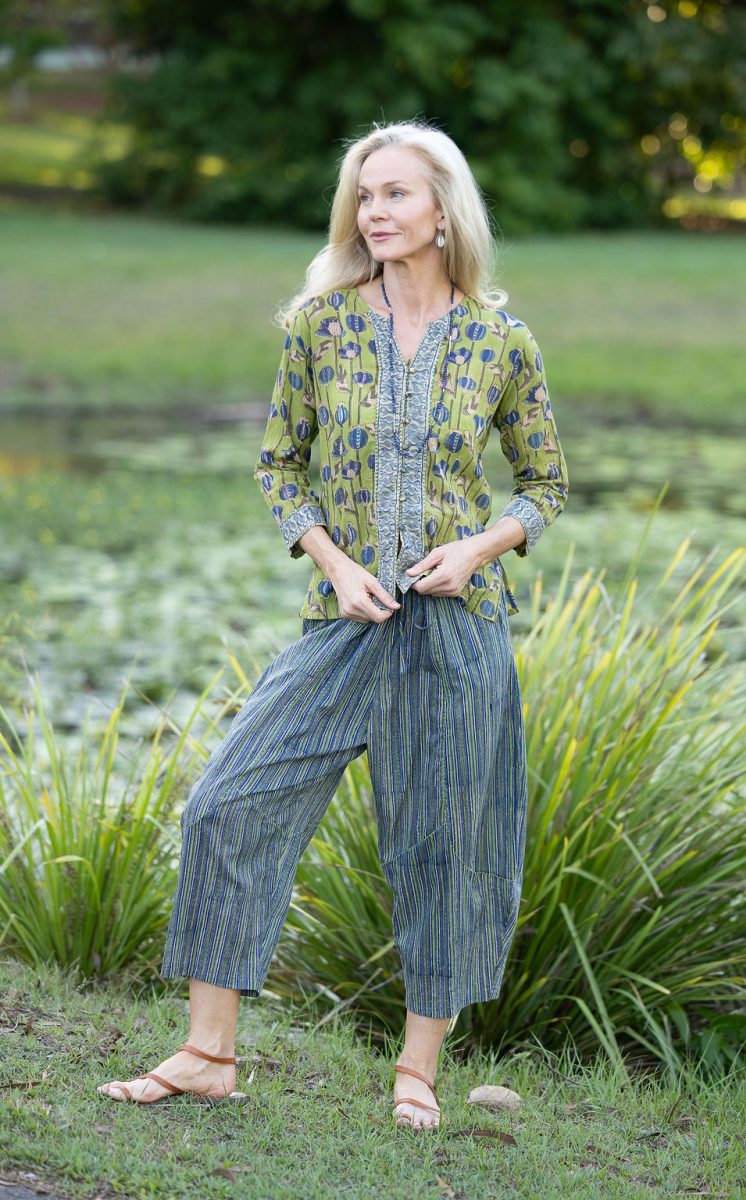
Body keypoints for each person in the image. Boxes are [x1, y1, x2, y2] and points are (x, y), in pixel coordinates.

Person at [97, 118, 569, 1131]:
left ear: (443, 211)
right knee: (226, 803)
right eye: (365, 196)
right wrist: (333, 560)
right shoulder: (320, 326)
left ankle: (415, 1073)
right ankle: (207, 1052)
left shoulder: (501, 342)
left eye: (395, 194)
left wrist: (478, 549)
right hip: (343, 620)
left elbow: (543, 485)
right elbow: (278, 465)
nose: (376, 212)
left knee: (443, 845)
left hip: (456, 632)